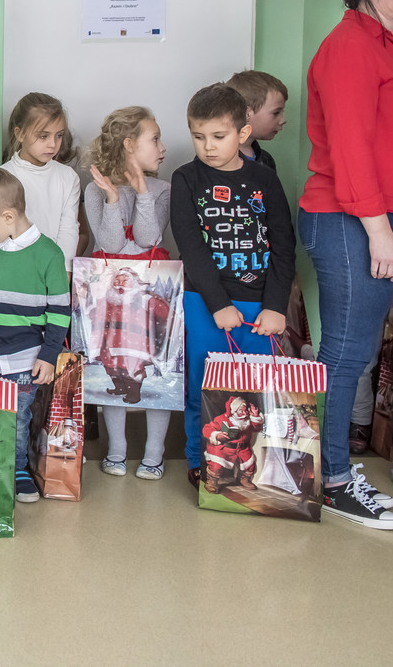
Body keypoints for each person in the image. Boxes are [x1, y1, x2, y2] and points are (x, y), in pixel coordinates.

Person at [298, 0, 393, 530]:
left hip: (379, 221)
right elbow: (351, 147)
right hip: (353, 221)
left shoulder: (386, 44)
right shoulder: (352, 45)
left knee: (349, 353)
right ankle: (331, 480)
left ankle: (331, 471)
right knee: (345, 355)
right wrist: (379, 231)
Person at [169, 84, 296, 489]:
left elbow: (283, 243)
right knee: (203, 387)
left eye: (218, 136)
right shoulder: (186, 178)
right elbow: (191, 246)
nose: (208, 146)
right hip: (205, 303)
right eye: (198, 136)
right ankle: (199, 460)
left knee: (254, 392)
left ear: (242, 133)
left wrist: (276, 306)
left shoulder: (265, 179)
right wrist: (218, 303)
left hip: (260, 306)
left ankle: (256, 465)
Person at [0, 166, 70, 505]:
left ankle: (17, 469)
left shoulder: (49, 255)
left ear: (8, 216)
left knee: (17, 418)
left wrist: (49, 354)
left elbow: (60, 312)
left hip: (23, 360)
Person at [83, 106, 173, 479]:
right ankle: (116, 450)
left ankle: (155, 453)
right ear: (129, 144)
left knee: (157, 370)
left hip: (148, 294)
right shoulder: (94, 189)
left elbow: (150, 239)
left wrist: (142, 193)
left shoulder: (163, 190)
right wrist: (113, 199)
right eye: (155, 139)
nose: (163, 148)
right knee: (116, 368)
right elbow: (111, 243)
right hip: (111, 296)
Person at [1, 92, 81, 269]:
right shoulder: (2, 177)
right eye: (43, 136)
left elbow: (68, 229)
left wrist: (63, 269)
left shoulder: (68, 177)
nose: (52, 144)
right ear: (20, 134)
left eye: (59, 135)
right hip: (15, 269)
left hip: (54, 270)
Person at [226, 70, 288, 171]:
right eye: (276, 113)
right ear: (246, 113)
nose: (283, 120)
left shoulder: (266, 160)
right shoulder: (215, 160)